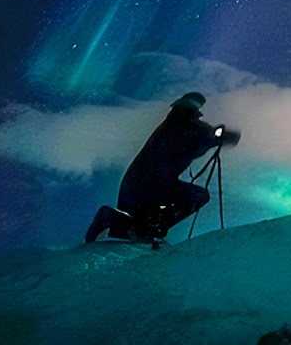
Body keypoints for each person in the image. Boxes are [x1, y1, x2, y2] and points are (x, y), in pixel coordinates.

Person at [84, 91, 239, 243]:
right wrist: (220, 138)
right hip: (155, 183)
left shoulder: (173, 124)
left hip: (138, 184)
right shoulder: (185, 124)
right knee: (199, 196)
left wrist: (215, 137)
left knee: (139, 218)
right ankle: (147, 229)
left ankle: (120, 221)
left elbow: (192, 144)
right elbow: (201, 140)